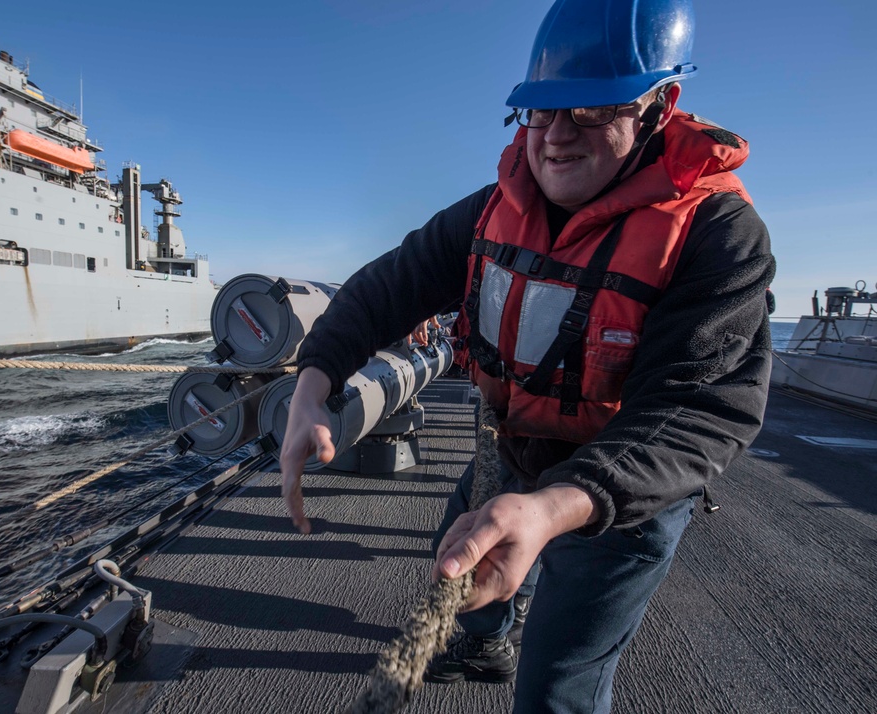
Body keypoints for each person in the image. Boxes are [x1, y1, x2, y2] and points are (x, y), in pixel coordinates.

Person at [280, 0, 775, 710]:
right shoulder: (492, 207)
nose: (556, 138)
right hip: (510, 451)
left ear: (661, 105)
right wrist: (313, 385)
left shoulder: (717, 235)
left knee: (558, 687)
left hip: (620, 495)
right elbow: (387, 288)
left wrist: (549, 510)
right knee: (460, 561)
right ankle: (483, 640)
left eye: (592, 111)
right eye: (541, 112)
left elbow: (698, 411)